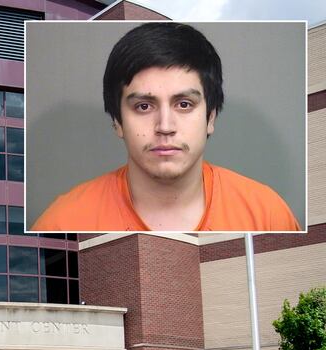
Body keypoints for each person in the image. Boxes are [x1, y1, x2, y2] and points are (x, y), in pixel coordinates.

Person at [31, 23, 301, 232]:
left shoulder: (267, 213)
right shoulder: (61, 220)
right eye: (144, 106)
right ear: (117, 121)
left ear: (211, 117)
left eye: (184, 104)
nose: (165, 126)